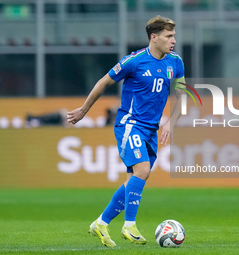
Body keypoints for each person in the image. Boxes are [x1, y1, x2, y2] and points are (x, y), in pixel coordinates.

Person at [67, 15, 185, 247]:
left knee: (135, 178)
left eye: (174, 36)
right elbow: (103, 82)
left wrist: (170, 122)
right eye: (169, 36)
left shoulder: (176, 62)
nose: (173, 40)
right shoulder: (134, 61)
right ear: (154, 37)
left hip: (151, 130)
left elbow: (182, 95)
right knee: (142, 170)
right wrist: (84, 110)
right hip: (130, 125)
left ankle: (100, 223)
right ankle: (129, 225)